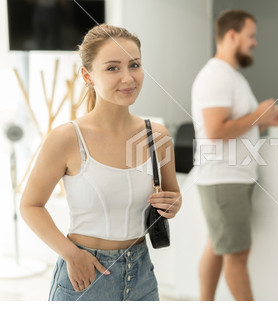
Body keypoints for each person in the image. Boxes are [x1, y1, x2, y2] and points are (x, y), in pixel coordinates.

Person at [20, 24, 181, 301]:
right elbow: (30, 205)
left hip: (142, 274)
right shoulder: (67, 138)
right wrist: (71, 255)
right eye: (112, 68)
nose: (128, 78)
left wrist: (173, 204)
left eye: (135, 65)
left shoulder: (158, 136)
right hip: (86, 276)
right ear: (87, 75)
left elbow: (174, 197)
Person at [191, 9, 278, 301]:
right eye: (251, 36)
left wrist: (264, 119)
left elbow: (234, 125)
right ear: (232, 36)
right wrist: (257, 114)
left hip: (231, 178)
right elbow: (216, 131)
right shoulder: (216, 77)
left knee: (218, 245)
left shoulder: (231, 77)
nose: (255, 42)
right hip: (224, 179)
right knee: (237, 255)